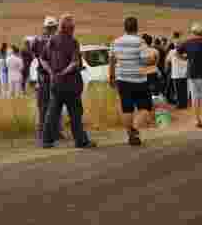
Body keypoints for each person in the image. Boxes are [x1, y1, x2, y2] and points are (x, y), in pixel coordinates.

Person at [41, 14, 96, 149]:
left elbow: (42, 59)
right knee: (75, 113)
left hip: (56, 84)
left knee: (52, 113)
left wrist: (52, 73)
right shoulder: (73, 42)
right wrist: (63, 72)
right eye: (73, 27)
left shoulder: (52, 40)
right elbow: (75, 63)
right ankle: (81, 141)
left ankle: (47, 141)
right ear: (69, 28)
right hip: (70, 84)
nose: (74, 29)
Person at [109, 17, 155, 146]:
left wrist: (111, 77)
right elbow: (147, 60)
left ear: (125, 27)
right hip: (139, 80)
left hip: (122, 79)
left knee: (126, 108)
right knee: (145, 107)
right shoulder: (140, 42)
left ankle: (131, 135)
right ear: (136, 27)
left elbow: (112, 61)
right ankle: (134, 129)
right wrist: (153, 58)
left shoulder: (115, 42)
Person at [32, 17, 60, 143]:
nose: (52, 30)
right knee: (48, 105)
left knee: (49, 105)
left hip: (45, 76)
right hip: (48, 76)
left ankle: (49, 131)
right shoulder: (56, 40)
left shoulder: (37, 40)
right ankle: (48, 132)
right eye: (52, 28)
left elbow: (35, 55)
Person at [167, 42, 189, 109]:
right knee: (184, 90)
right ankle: (184, 104)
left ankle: (179, 104)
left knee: (178, 91)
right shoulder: (187, 54)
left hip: (176, 75)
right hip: (185, 74)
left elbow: (168, 60)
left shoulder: (172, 52)